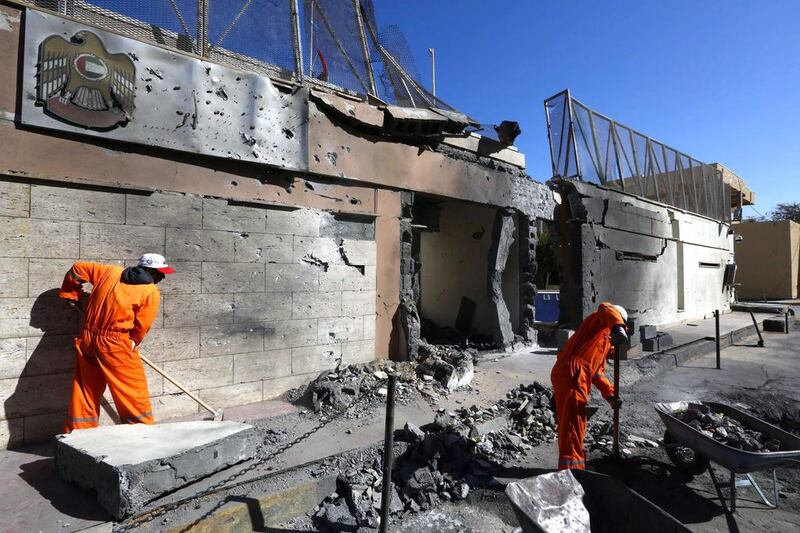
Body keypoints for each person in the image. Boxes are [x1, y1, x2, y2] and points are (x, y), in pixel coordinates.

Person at [59, 253, 175, 432]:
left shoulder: (109, 272)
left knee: (85, 389)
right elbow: (142, 324)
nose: (163, 277)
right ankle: (142, 435)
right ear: (150, 271)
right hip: (115, 345)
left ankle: (79, 434)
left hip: (88, 340)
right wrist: (134, 340)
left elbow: (77, 269)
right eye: (160, 273)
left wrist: (71, 293)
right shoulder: (149, 291)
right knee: (132, 390)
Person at [551, 302, 628, 470]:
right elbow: (604, 307)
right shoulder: (598, 322)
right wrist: (617, 327)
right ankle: (572, 472)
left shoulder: (604, 343)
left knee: (576, 424)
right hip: (571, 374)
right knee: (573, 427)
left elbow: (597, 373)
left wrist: (610, 395)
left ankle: (573, 467)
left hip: (575, 376)